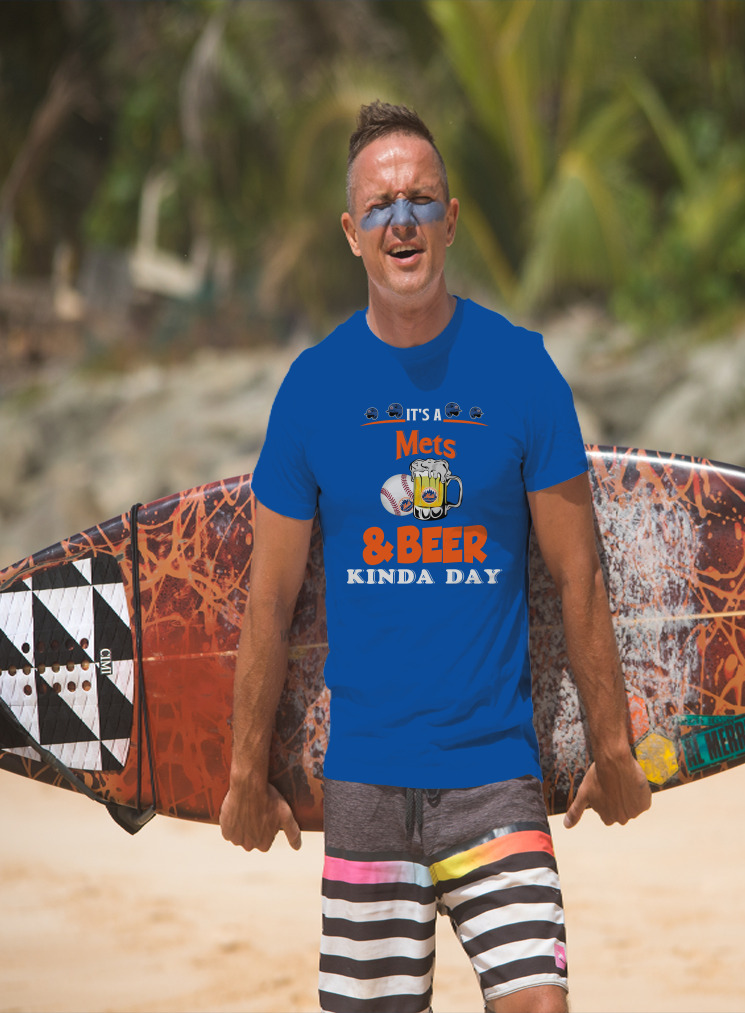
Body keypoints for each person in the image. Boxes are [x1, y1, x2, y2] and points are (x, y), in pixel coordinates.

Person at [220, 100, 651, 1013]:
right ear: (351, 233)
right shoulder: (313, 389)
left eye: (420, 200)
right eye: (380, 206)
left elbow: (579, 575)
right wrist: (244, 772)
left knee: (540, 1003)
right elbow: (269, 600)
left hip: (495, 777)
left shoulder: (523, 372)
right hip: (366, 783)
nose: (402, 220)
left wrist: (612, 745)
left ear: (450, 220)